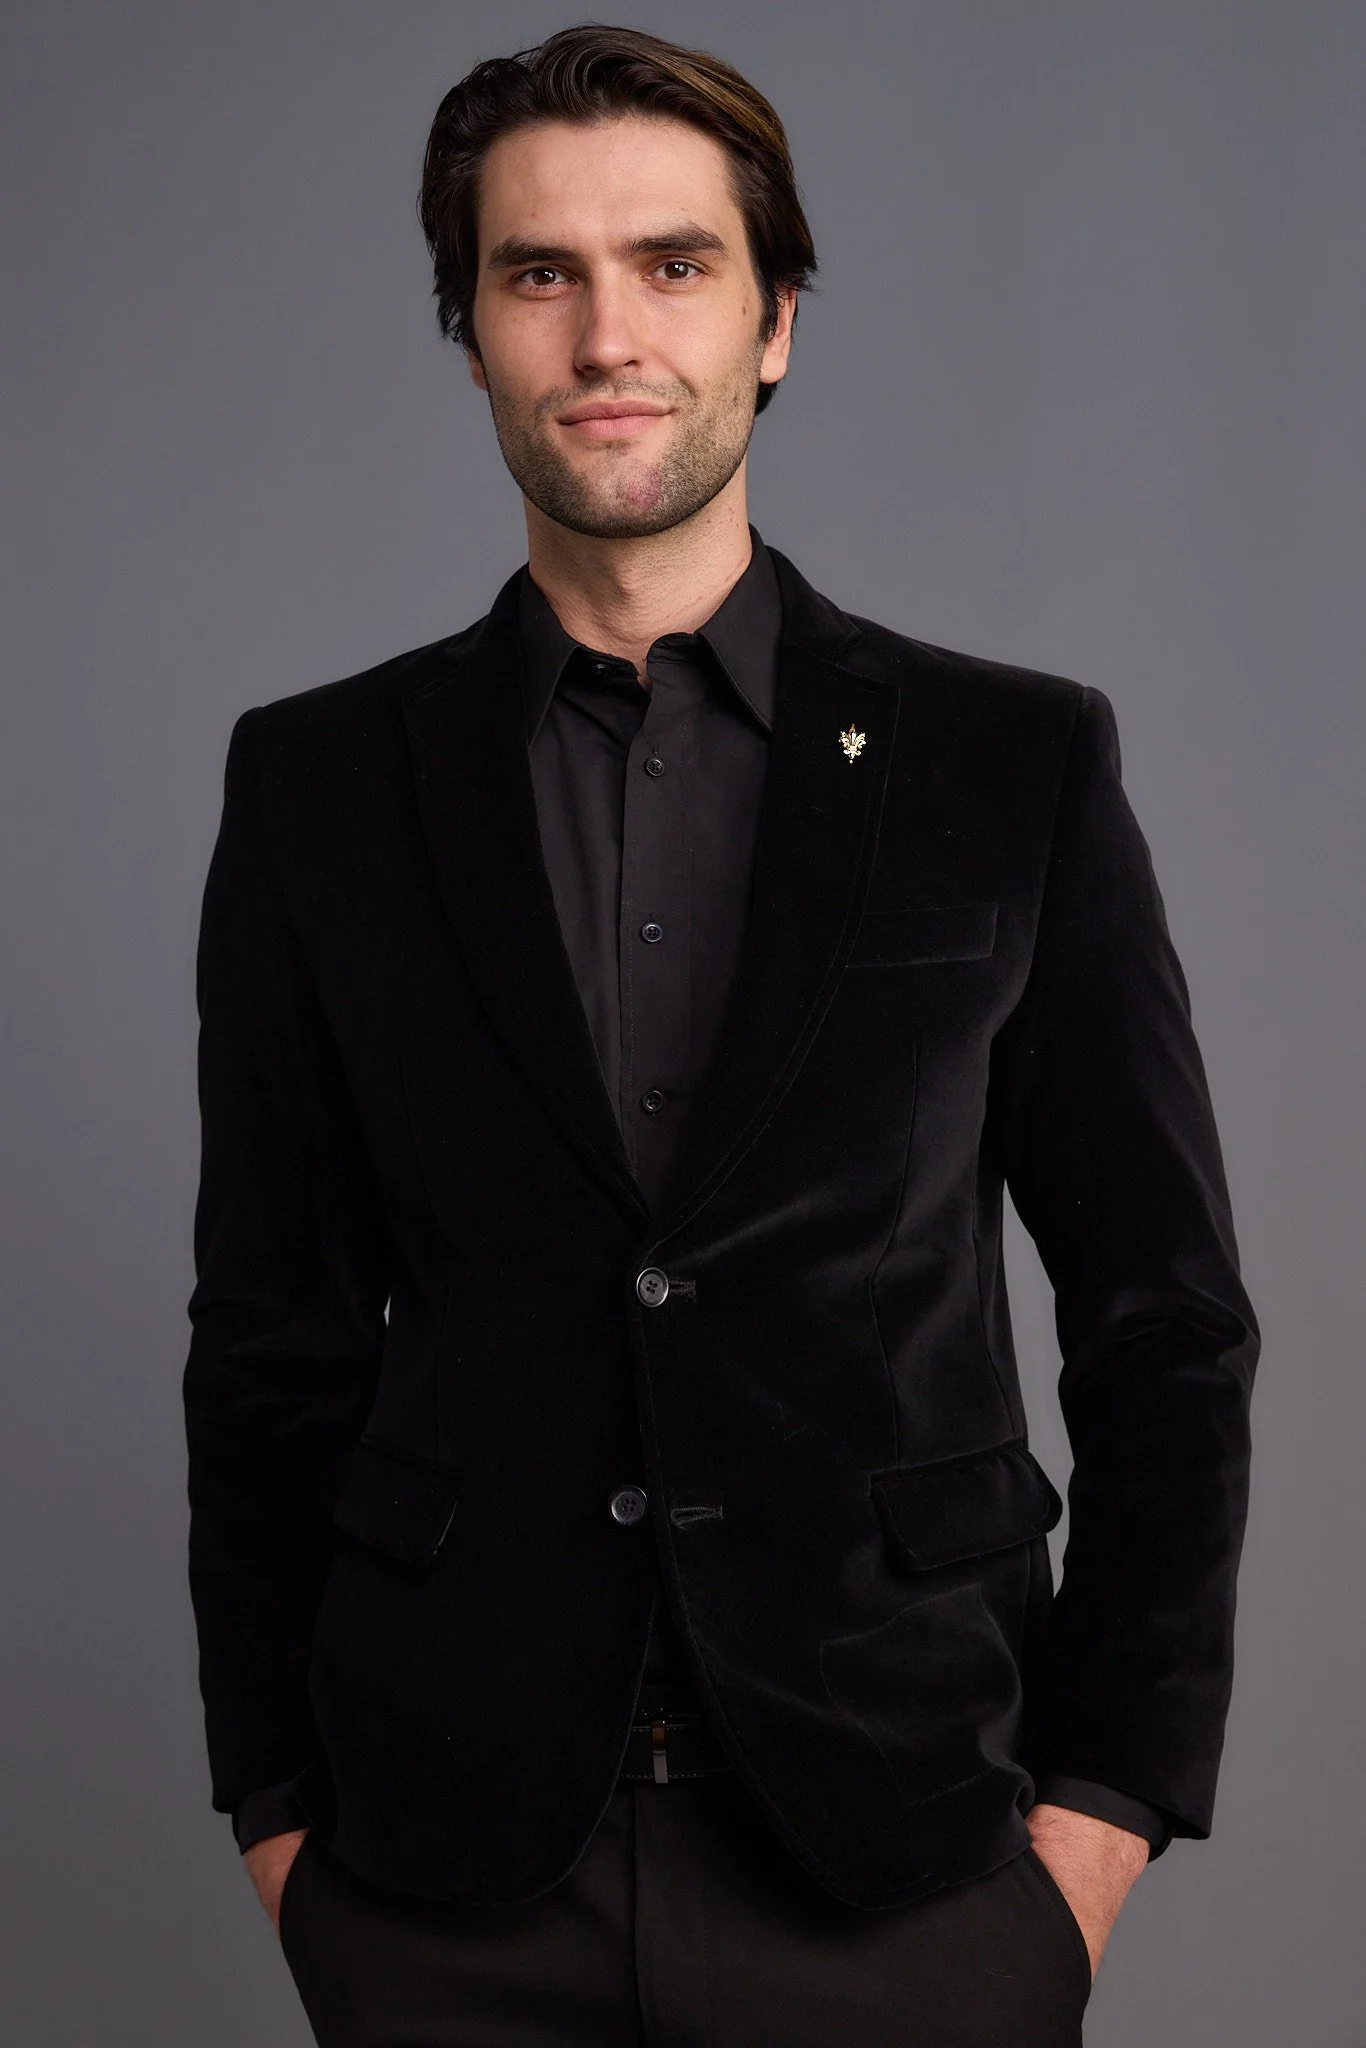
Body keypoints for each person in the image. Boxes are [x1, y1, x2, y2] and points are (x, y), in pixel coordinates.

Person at [182, 25, 1259, 2046]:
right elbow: (271, 1340)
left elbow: (1163, 1322)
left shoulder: (1006, 763)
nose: (607, 332)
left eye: (672, 265)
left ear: (773, 321)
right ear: (473, 331)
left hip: (911, 1862)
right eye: (537, 274)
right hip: (437, 1883)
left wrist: (1100, 1813)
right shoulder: (321, 784)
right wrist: (276, 1817)